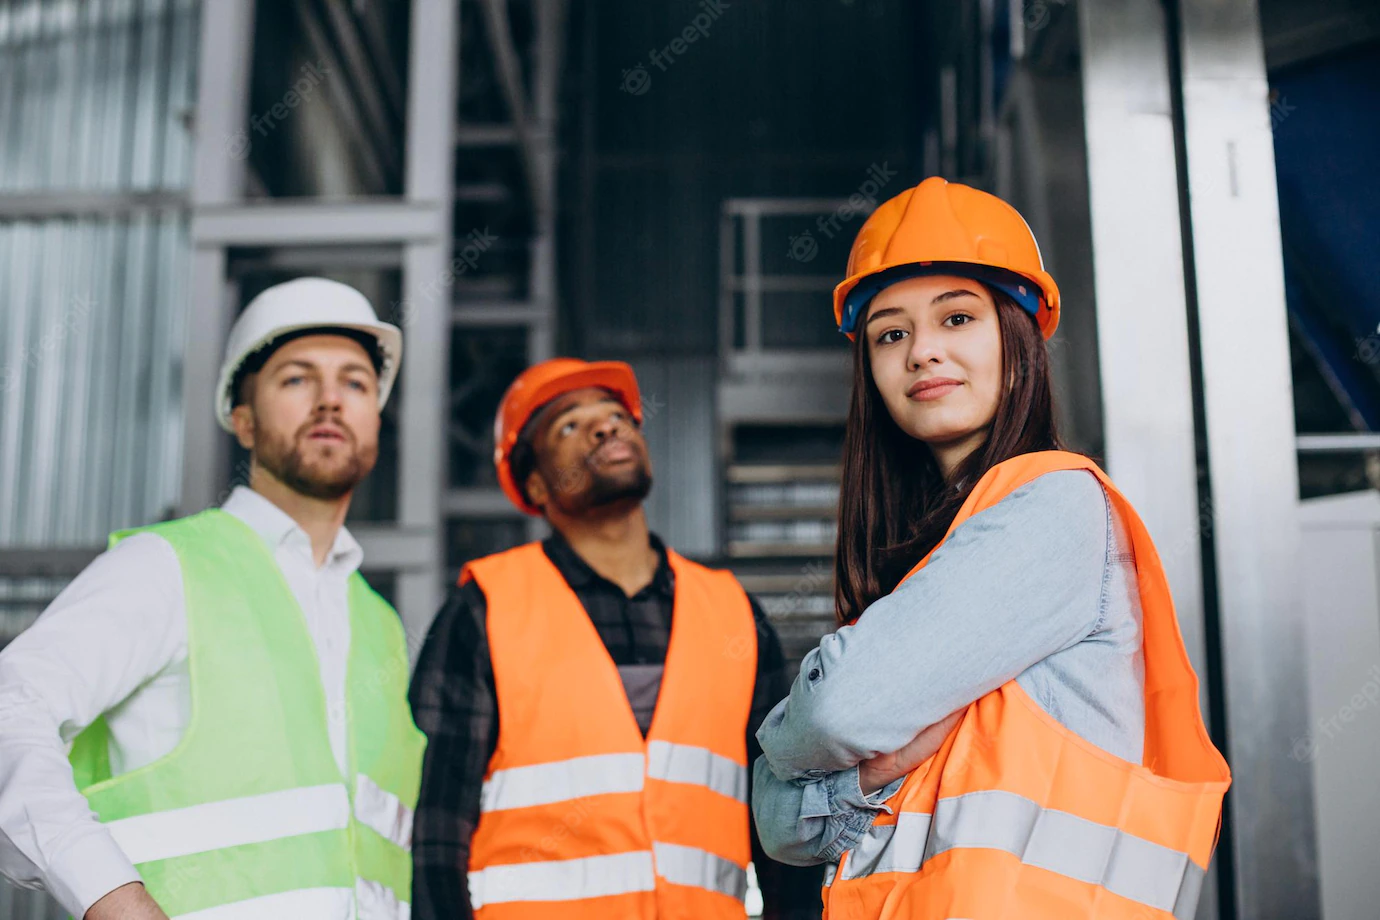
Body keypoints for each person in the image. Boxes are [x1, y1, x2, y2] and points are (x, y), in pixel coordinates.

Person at [751, 178, 1231, 919]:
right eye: (891, 333)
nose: (922, 352)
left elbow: (843, 707)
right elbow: (780, 829)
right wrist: (861, 767)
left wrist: (786, 747)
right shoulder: (936, 553)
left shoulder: (1055, 508)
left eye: (958, 317)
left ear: (1020, 336)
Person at [0, 278, 425, 920]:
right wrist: (111, 899)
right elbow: (11, 707)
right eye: (296, 379)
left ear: (375, 421)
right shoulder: (167, 567)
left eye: (356, 383)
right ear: (243, 419)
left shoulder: (380, 624)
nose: (332, 400)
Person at [409, 357, 822, 919]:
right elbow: (437, 827)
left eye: (615, 416)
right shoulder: (484, 608)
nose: (606, 427)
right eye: (570, 425)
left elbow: (782, 820)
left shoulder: (733, 614)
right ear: (534, 483)